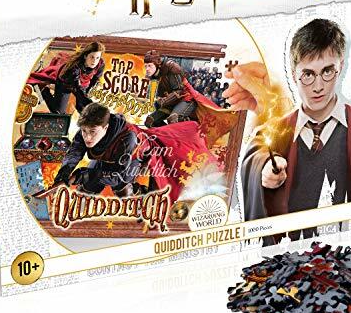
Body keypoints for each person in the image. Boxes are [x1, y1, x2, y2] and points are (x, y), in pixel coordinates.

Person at [223, 18, 351, 244]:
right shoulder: (275, 132)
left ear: (340, 67)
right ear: (293, 74)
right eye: (308, 74)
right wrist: (263, 170)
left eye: (327, 71)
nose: (318, 86)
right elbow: (258, 153)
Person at [53, 102, 223, 202]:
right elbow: (74, 153)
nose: (87, 137)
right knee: (88, 186)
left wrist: (81, 175)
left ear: (105, 127)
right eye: (84, 131)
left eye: (92, 132)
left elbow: (119, 173)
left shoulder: (128, 138)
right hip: (112, 157)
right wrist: (63, 175)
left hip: (137, 158)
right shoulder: (85, 130)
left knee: (119, 186)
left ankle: (139, 194)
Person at [28, 42, 105, 114]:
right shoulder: (74, 68)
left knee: (82, 108)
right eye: (92, 57)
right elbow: (77, 90)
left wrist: (86, 94)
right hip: (65, 82)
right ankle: (45, 92)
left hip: (83, 84)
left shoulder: (100, 64)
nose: (94, 61)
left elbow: (94, 80)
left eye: (97, 58)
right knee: (58, 112)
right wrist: (89, 103)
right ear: (85, 56)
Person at [143, 50, 200, 127]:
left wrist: (163, 101)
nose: (147, 69)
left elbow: (180, 90)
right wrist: (160, 100)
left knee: (173, 119)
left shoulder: (171, 67)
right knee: (150, 121)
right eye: (145, 66)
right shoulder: (155, 74)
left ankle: (191, 126)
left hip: (185, 99)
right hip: (170, 102)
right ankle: (166, 133)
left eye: (149, 65)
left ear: (157, 63)